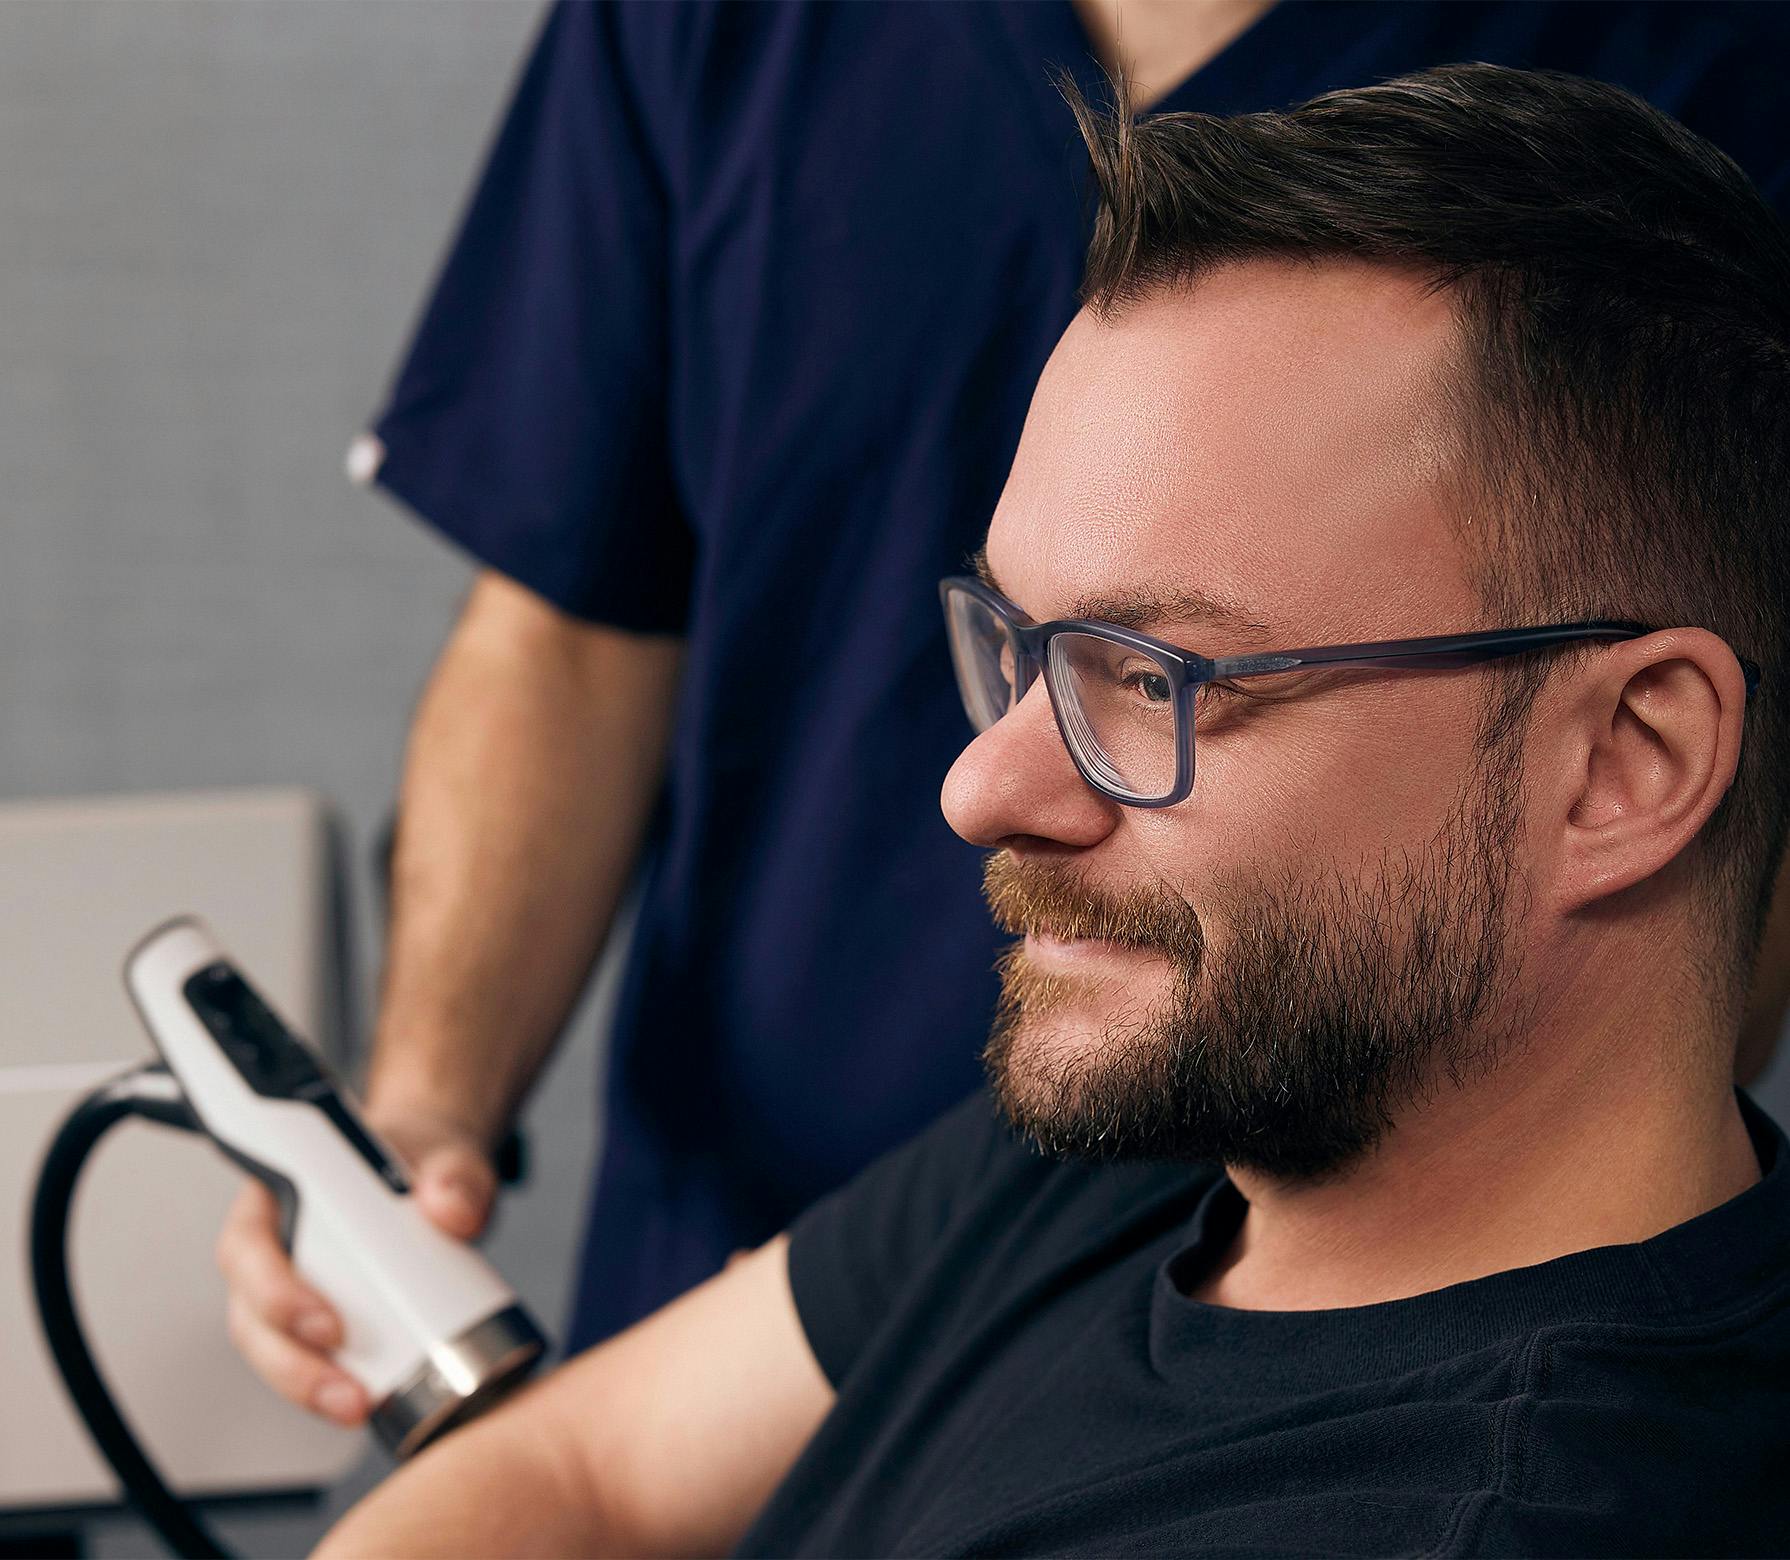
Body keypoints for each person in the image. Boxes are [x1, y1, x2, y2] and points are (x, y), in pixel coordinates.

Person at [215, 0, 1790, 1431]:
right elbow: (570, 632)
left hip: (1262, 1265)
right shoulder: (703, 33)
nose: (981, 788)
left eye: (1166, 674)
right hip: (795, 1273)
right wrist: (425, 1113)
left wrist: (1378, 1313)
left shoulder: (1711, 65)